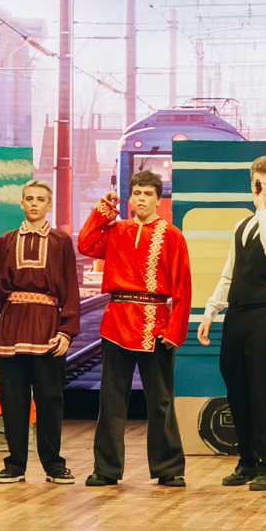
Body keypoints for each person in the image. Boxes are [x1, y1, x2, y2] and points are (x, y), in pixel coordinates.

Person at [76, 171, 192, 488]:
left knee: (161, 400)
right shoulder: (117, 230)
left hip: (156, 324)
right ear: (130, 198)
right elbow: (86, 243)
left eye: (147, 193)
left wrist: (174, 330)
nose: (141, 198)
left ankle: (169, 468)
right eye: (137, 193)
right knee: (111, 400)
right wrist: (103, 208)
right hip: (117, 321)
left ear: (158, 199)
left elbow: (183, 286)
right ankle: (106, 469)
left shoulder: (172, 236)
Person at [197, 156, 266, 491]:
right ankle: (247, 461)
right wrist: (211, 310)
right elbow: (230, 272)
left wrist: (261, 211)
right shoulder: (241, 225)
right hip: (238, 315)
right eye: (259, 185)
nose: (265, 191)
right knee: (238, 390)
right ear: (252, 184)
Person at [0, 179, 81, 485]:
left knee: (50, 399)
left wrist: (66, 330)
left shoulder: (60, 241)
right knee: (12, 400)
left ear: (49, 205)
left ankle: (54, 465)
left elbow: (71, 288)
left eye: (40, 199)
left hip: (47, 327)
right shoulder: (6, 241)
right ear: (21, 203)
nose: (34, 203)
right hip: (12, 327)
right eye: (29, 198)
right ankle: (15, 465)